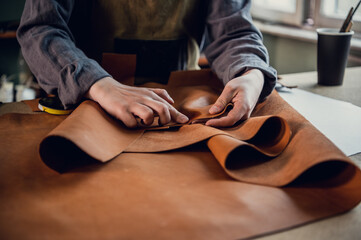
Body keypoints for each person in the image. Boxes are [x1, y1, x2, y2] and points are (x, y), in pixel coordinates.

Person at [17, 0, 277, 128]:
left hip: (184, 112)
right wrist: (95, 82)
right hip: (89, 105)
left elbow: (232, 31)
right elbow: (41, 28)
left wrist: (251, 71)